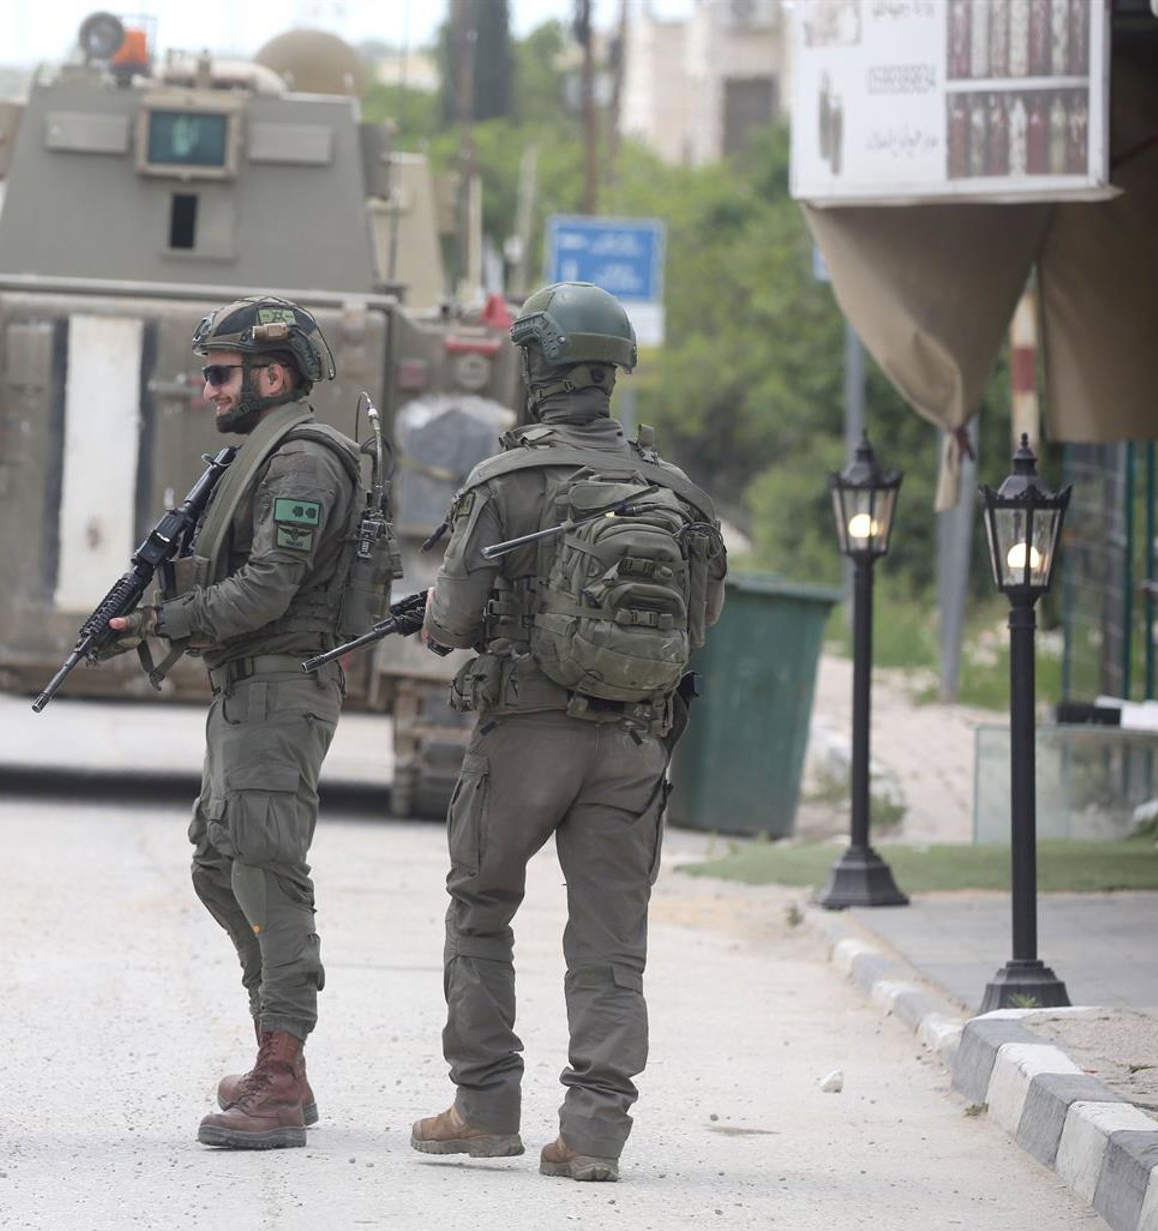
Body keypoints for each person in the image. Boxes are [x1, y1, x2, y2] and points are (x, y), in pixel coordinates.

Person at [409, 283, 727, 1181]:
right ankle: (593, 1131)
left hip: (525, 736)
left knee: (481, 907)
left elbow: (453, 618)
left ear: (535, 365)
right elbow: (700, 621)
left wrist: (445, 616)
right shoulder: (677, 493)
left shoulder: (505, 480)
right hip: (636, 744)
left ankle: (483, 1108)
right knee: (610, 941)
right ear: (613, 372)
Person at [107, 296, 364, 1150]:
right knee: (219, 867)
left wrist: (160, 623)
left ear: (274, 376)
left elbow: (266, 590)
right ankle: (277, 1051)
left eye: (221, 373)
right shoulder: (260, 454)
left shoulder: (303, 463)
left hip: (281, 692)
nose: (208, 388)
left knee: (266, 872)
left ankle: (279, 1080)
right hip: (246, 692)